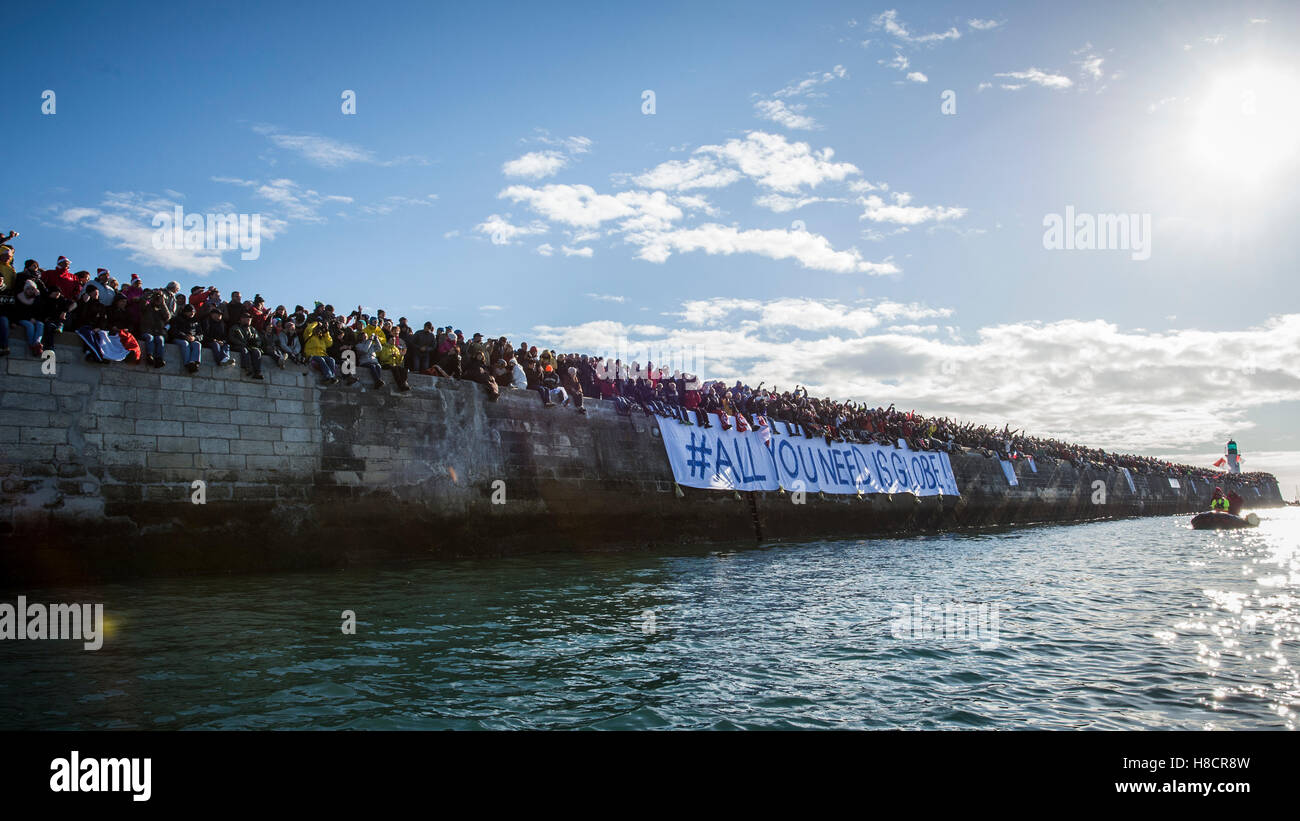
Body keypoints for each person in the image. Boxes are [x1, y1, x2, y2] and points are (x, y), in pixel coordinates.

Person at [227, 313, 265, 379]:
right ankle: (247, 368)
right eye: (247, 318)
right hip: (237, 346)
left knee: (257, 352)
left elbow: (258, 339)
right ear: (241, 319)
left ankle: (257, 372)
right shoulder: (235, 327)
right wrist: (241, 343)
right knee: (244, 350)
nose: (248, 320)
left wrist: (256, 344)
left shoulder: (252, 329)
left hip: (250, 346)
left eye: (250, 319)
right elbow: (231, 338)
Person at [168, 302, 204, 374]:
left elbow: (201, 334)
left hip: (192, 339)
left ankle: (193, 362)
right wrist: (184, 336)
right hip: (179, 338)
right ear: (185, 312)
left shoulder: (196, 322)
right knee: (185, 343)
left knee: (197, 344)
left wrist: (195, 338)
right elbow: (174, 330)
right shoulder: (177, 319)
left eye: (193, 312)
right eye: (190, 311)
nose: (192, 313)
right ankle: (187, 363)